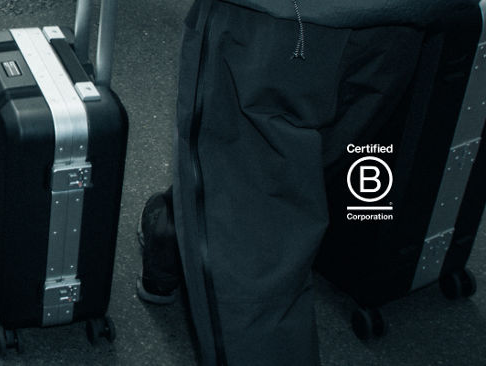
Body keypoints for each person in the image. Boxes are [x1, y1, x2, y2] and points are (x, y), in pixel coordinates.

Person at [138, 0, 482, 364]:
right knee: (278, 175)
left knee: (254, 242)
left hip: (279, 27)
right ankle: (173, 232)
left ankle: (183, 233)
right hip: (398, 28)